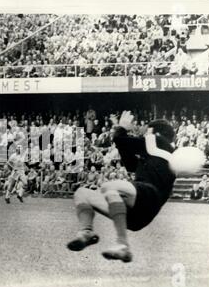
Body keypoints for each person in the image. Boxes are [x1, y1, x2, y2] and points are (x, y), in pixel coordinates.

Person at [67, 111, 176, 263]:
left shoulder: (159, 141)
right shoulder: (159, 155)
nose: (144, 134)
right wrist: (120, 131)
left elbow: (121, 139)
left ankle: (122, 244)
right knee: (82, 193)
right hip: (136, 215)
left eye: (147, 131)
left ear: (155, 133)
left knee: (109, 187)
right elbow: (130, 164)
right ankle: (86, 232)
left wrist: (122, 128)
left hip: (149, 195)